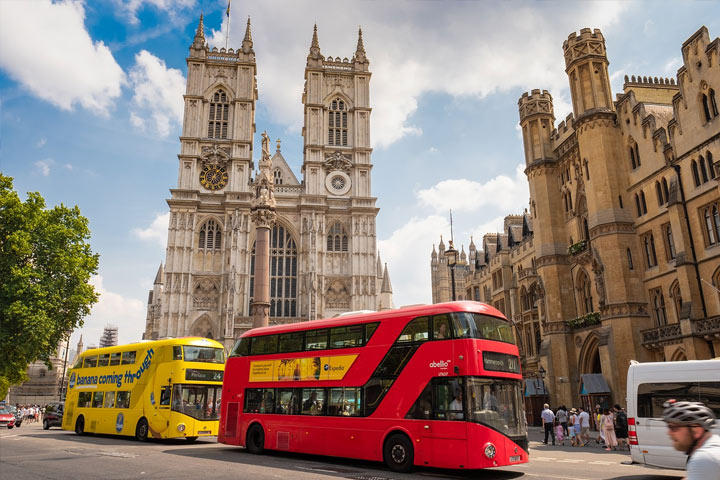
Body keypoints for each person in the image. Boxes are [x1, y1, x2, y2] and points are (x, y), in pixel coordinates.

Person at [662, 399, 720, 480]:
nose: (669, 432)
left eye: (673, 427)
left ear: (696, 430)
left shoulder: (703, 458)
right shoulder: (715, 445)